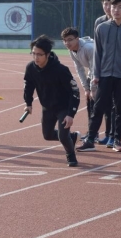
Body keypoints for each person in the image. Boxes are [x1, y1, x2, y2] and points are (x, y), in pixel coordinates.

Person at [77, 0, 121, 153]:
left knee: (120, 109)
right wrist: (96, 75)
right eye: (114, 7)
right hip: (104, 76)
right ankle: (90, 140)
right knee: (98, 108)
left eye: (120, 7)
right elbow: (97, 54)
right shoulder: (102, 28)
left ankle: (117, 140)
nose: (116, 10)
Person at [23, 34, 81, 167]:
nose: (36, 57)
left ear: (48, 54)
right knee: (47, 135)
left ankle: (71, 155)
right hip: (47, 107)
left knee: (62, 136)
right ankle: (72, 137)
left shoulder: (61, 70)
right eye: (33, 54)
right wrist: (28, 103)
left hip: (63, 107)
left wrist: (71, 114)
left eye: (39, 54)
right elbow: (28, 85)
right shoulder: (31, 68)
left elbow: (75, 91)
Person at [61, 27, 97, 140]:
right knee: (90, 103)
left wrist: (92, 89)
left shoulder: (88, 48)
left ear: (77, 39)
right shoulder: (72, 49)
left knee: (101, 104)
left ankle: (110, 135)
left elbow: (94, 68)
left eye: (70, 39)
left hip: (105, 72)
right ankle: (92, 133)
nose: (67, 43)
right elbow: (79, 69)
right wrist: (86, 88)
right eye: (65, 40)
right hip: (93, 72)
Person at [93, 0, 116, 147]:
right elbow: (97, 48)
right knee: (103, 104)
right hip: (102, 69)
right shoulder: (99, 22)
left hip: (116, 70)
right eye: (105, 4)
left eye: (110, 4)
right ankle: (104, 134)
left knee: (115, 105)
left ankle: (113, 135)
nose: (107, 7)